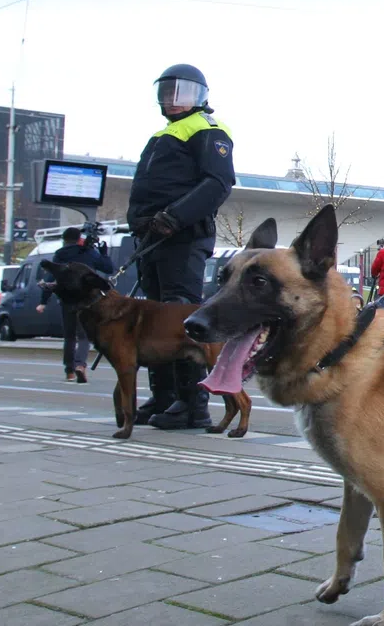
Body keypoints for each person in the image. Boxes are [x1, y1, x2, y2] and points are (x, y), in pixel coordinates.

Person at [126, 64, 236, 429]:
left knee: (180, 319)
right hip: (154, 239)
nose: (174, 99)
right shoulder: (164, 134)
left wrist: (174, 217)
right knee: (156, 319)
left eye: (182, 92)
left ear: (201, 96)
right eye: (168, 91)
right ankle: (165, 396)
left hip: (182, 239)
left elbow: (218, 183)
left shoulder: (209, 130)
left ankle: (193, 403)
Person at [38, 227, 115, 383]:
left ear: (64, 240)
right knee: (84, 336)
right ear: (79, 238)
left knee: (69, 336)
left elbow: (50, 277)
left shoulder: (60, 255)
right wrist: (104, 253)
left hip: (66, 300)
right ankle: (80, 365)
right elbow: (108, 268)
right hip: (87, 301)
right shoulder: (88, 252)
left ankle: (69, 371)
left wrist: (43, 301)